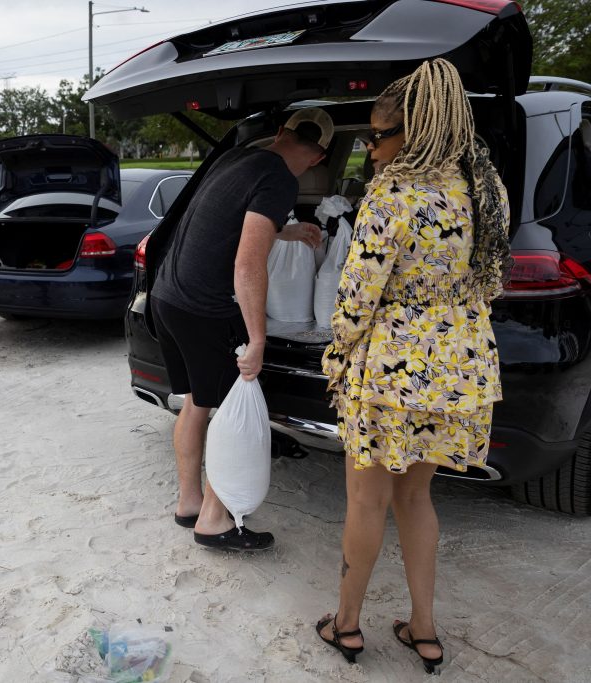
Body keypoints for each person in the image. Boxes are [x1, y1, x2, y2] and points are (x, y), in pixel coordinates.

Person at [314, 59, 510, 674]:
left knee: (366, 499)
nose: (371, 151)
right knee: (417, 497)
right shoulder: (486, 188)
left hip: (393, 370)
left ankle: (346, 624)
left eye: (378, 137)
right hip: (461, 370)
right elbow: (493, 282)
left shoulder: (394, 194)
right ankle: (424, 630)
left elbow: (355, 301)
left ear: (416, 130)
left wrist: (339, 353)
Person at [150, 108, 332, 551]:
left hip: (167, 297)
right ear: (318, 157)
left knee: (196, 400)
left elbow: (224, 222)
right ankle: (214, 522)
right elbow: (248, 264)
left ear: (279, 132)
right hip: (208, 309)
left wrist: (285, 231)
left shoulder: (237, 158)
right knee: (230, 411)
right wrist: (257, 339)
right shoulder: (280, 179)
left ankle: (189, 502)